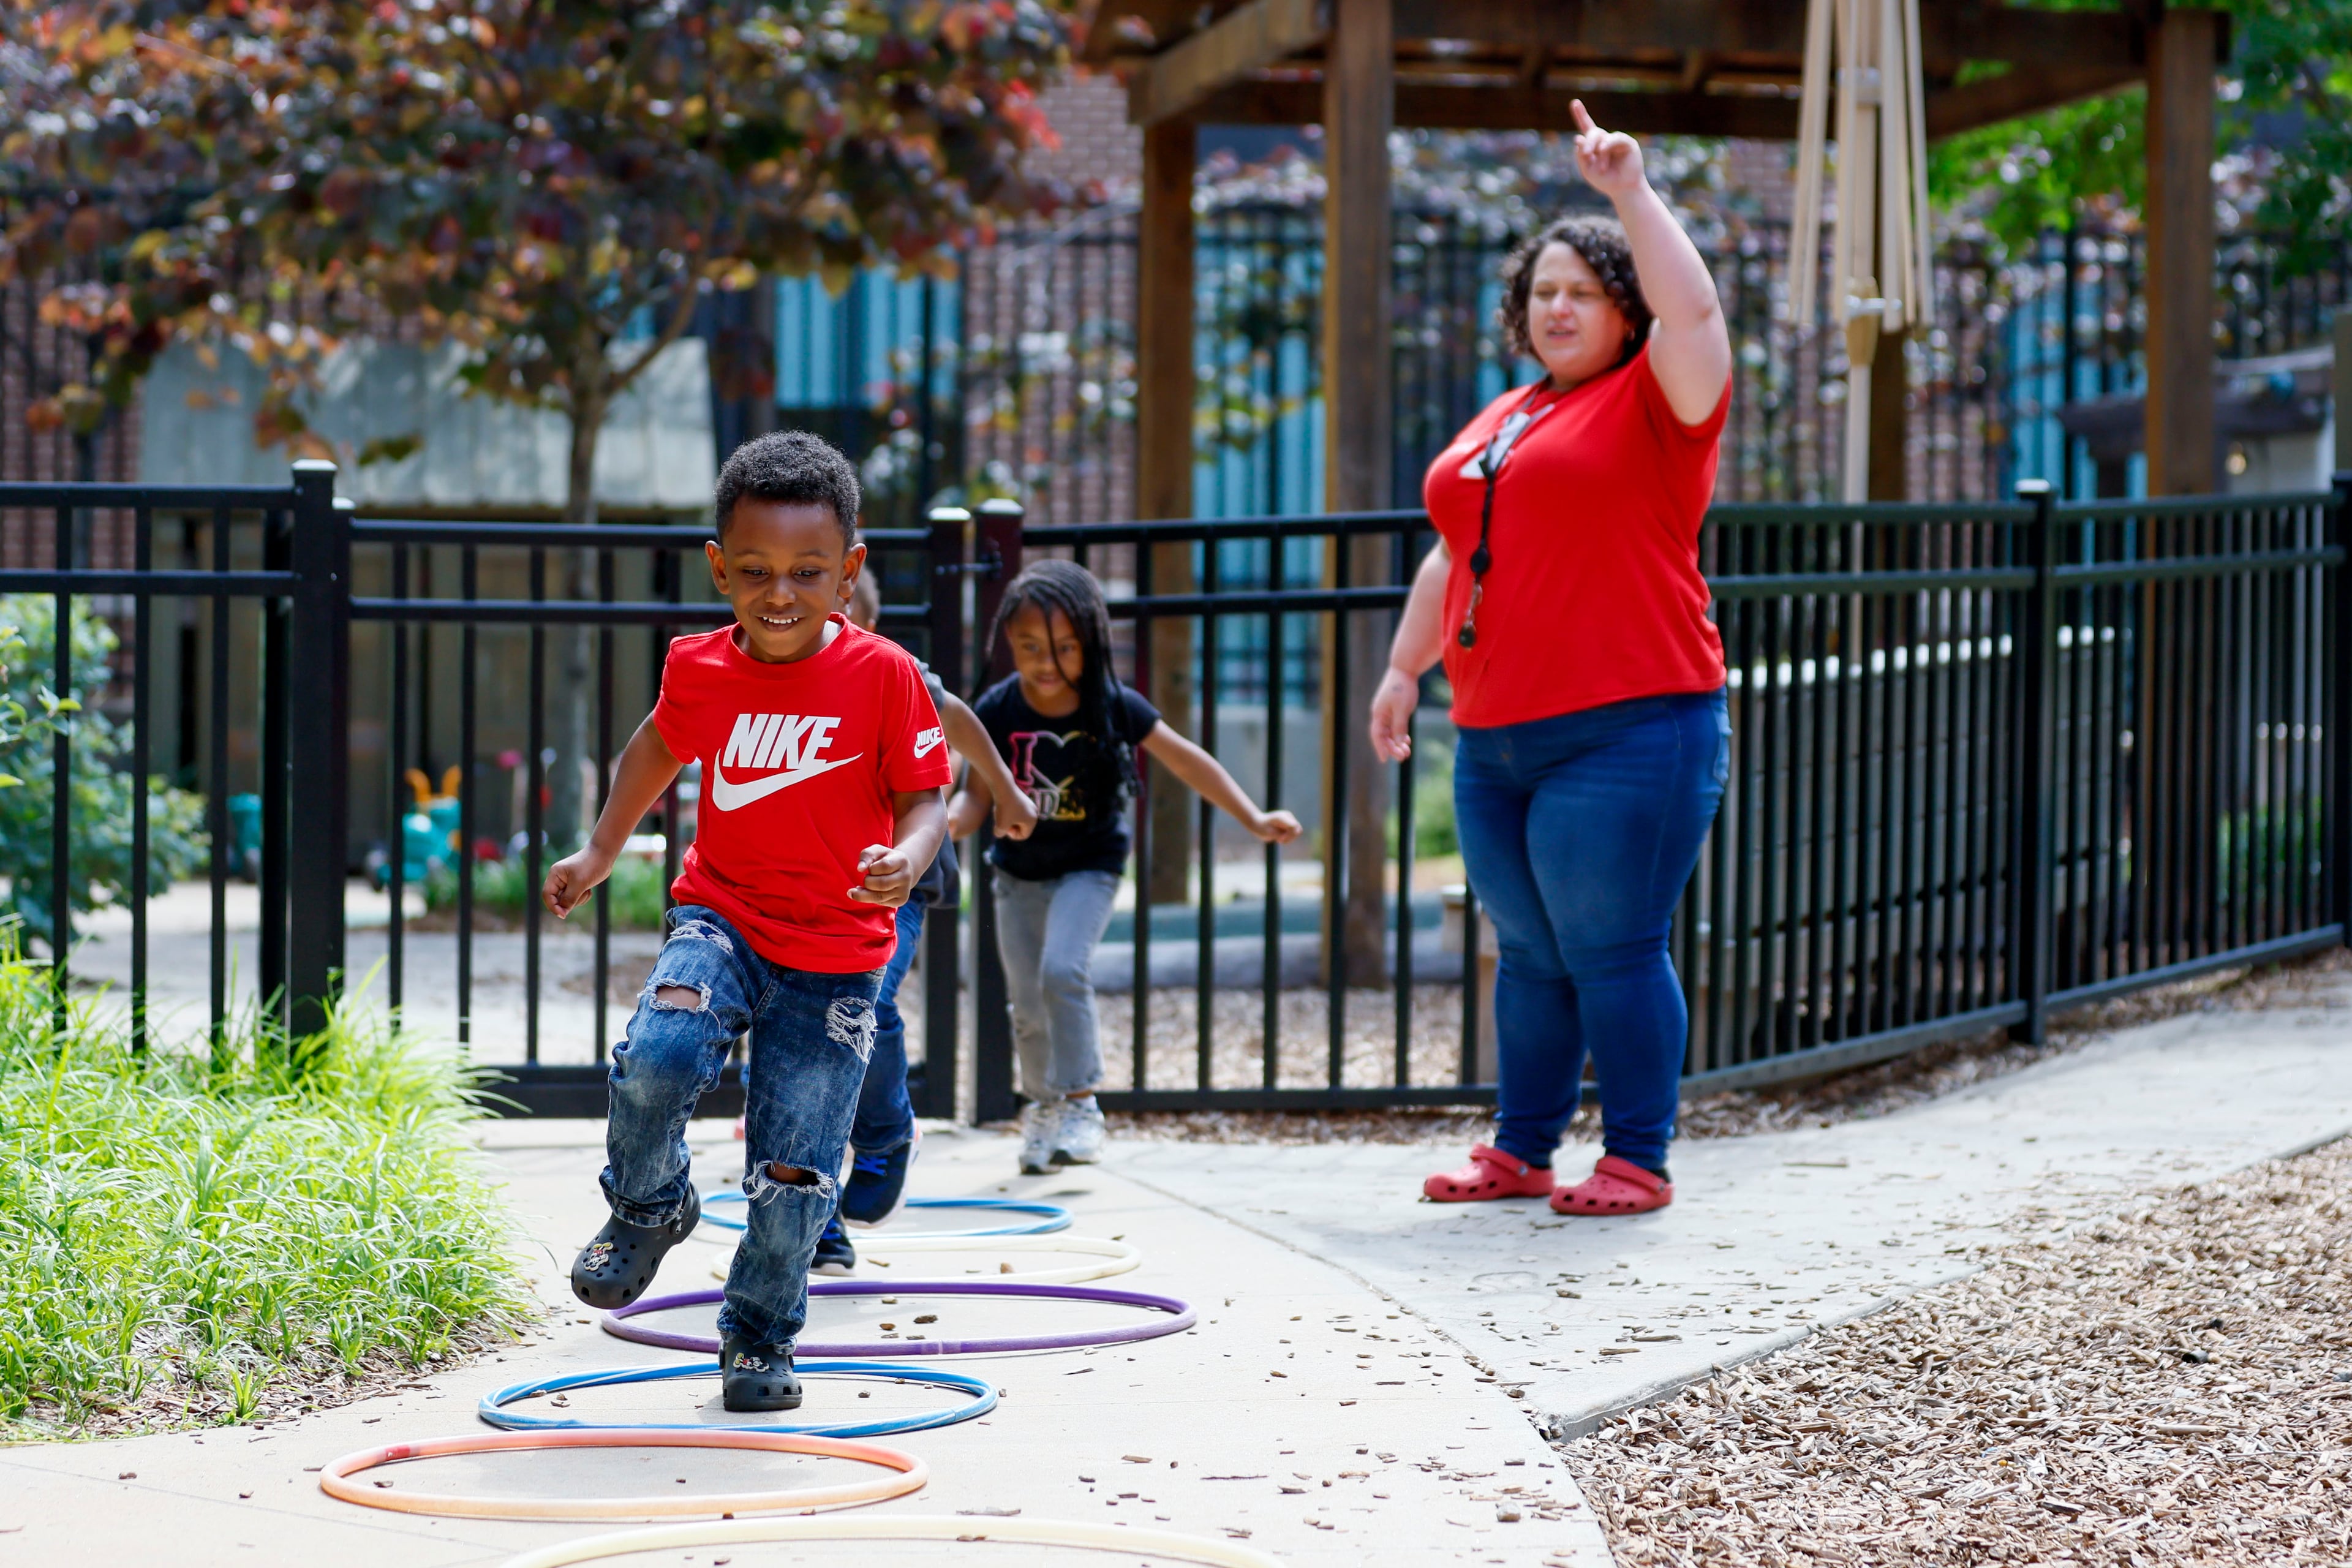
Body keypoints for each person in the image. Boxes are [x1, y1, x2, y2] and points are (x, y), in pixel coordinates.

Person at [1366, 102, 1733, 1218]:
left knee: (1612, 946)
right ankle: (1520, 1152)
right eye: (1543, 294)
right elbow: (1456, 551)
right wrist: (1401, 668)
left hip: (1633, 725)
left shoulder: (1664, 399)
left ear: (1626, 311)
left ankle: (1637, 1159)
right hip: (1496, 733)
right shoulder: (1510, 413)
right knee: (1526, 951)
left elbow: (1701, 304)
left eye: (1584, 290)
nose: (1559, 307)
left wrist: (1628, 190)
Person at [541, 431, 951, 1413]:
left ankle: (759, 1337)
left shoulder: (886, 675)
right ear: (720, 568)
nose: (781, 593)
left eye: (809, 572)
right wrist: (600, 850)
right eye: (757, 571)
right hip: (721, 917)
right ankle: (649, 1205)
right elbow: (653, 747)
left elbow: (929, 797)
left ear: (848, 572)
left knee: (797, 1170)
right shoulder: (701, 668)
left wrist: (909, 857)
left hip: (841, 955)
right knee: (660, 1052)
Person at [951, 559, 1303, 1174]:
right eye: (1031, 646)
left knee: (1063, 969)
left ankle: (1082, 1101)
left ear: (1091, 645)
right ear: (1009, 642)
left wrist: (1251, 816)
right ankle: (1043, 1107)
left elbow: (1187, 759)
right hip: (1016, 872)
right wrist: (934, 835)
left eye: (1064, 648)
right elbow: (973, 797)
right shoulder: (997, 709)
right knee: (1027, 1005)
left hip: (1090, 865)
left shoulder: (1111, 705)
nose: (1047, 663)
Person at [802, 573, 1040, 1276]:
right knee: (798, 1048)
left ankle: (883, 1133)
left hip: (891, 885)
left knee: (862, 1004)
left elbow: (958, 715)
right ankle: (818, 1225)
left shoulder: (891, 676)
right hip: (804, 896)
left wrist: (1004, 787)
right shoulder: (770, 682)